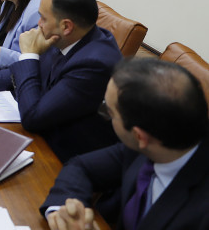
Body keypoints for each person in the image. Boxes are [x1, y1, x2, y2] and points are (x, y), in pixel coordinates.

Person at [0, 0, 122, 163]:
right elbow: (25, 71)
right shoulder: (68, 36)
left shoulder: (93, 64)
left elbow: (33, 118)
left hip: (64, 155)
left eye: (43, 18)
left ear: (66, 26)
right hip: (42, 132)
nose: (38, 24)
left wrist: (29, 55)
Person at [42, 58, 209, 230]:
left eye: (110, 112)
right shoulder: (156, 142)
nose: (105, 114)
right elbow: (81, 167)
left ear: (139, 136)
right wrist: (66, 212)